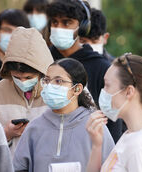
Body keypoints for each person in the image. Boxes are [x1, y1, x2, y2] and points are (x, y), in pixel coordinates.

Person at [13, 58, 114, 172]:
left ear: (77, 89)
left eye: (58, 81)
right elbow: (18, 168)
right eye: (47, 80)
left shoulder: (94, 126)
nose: (50, 86)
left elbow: (111, 167)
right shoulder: (34, 128)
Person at [86, 53, 142, 172]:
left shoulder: (141, 147)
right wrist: (96, 145)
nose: (103, 92)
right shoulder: (131, 135)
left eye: (107, 85)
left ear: (129, 92)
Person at [46, 0, 124, 143]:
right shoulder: (42, 61)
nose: (59, 28)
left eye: (67, 22)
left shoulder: (101, 67)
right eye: (55, 22)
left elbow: (113, 124)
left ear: (82, 27)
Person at [0, 27, 54, 155]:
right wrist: (6, 134)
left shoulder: (59, 90)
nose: (23, 82)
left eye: (29, 78)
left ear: (42, 71)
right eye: (17, 77)